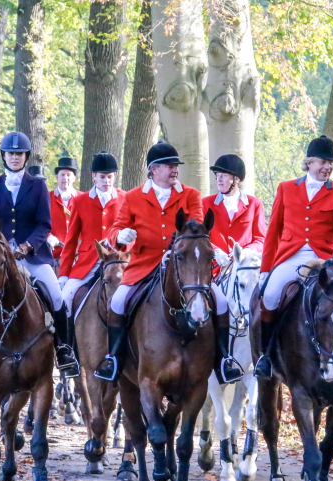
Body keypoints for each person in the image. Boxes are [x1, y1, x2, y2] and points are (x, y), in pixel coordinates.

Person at [96, 142, 243, 384]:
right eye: (169, 166)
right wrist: (120, 236)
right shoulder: (133, 197)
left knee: (222, 302)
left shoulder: (190, 195)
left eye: (176, 165)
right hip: (143, 265)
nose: (175, 169)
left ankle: (224, 360)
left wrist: (178, 249)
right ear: (153, 169)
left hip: (185, 267)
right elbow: (114, 229)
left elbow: (197, 226)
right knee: (118, 302)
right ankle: (114, 359)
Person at [0, 132, 80, 377]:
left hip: (31, 256)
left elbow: (44, 224)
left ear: (26, 156)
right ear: (4, 156)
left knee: (57, 296)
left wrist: (27, 246)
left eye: (19, 154)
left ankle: (63, 349)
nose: (15, 157)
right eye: (11, 153)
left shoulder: (38, 186)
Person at [254, 135, 333, 379]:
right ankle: (266, 357)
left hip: (328, 258)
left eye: (331, 163)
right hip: (292, 255)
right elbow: (273, 231)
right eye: (323, 162)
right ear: (309, 162)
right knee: (269, 295)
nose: (328, 167)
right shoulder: (286, 188)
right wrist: (266, 268)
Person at [58, 152, 124, 312]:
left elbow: (134, 234)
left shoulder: (125, 198)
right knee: (64, 299)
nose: (107, 181)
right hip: (88, 262)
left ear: (115, 176)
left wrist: (124, 241)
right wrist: (64, 273)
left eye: (110, 177)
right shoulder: (80, 201)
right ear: (94, 176)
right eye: (102, 177)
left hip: (118, 260)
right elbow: (71, 240)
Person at [201, 154, 266, 270]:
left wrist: (247, 251)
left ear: (237, 179)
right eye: (217, 175)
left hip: (244, 268)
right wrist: (215, 251)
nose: (219, 180)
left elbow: (260, 239)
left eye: (224, 176)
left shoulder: (255, 204)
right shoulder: (205, 204)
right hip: (214, 269)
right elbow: (200, 237)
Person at [48, 155, 79, 262]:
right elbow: (39, 223)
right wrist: (48, 237)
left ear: (74, 178)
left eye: (68, 175)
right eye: (62, 175)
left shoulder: (84, 199)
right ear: (57, 177)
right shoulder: (47, 198)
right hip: (53, 254)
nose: (65, 178)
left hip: (78, 255)